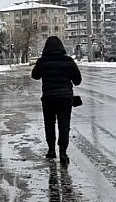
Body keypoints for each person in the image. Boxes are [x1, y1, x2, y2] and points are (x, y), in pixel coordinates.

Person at [31, 36, 81, 166]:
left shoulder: (42, 61)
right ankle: (63, 152)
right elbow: (78, 81)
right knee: (64, 126)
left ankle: (51, 150)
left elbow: (35, 76)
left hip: (48, 98)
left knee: (49, 124)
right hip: (65, 99)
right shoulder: (68, 61)